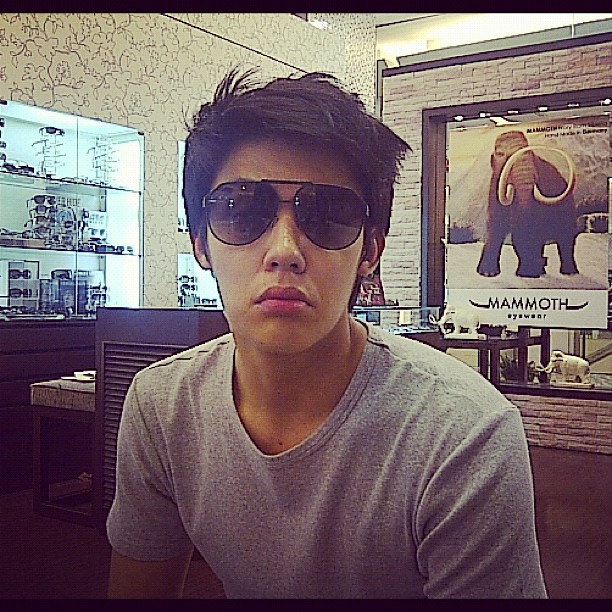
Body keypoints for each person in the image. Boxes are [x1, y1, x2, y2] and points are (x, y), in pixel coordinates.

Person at [106, 67, 548, 599]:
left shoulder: (464, 436)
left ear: (370, 250)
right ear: (201, 242)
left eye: (329, 215)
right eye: (242, 210)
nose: (285, 252)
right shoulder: (162, 407)